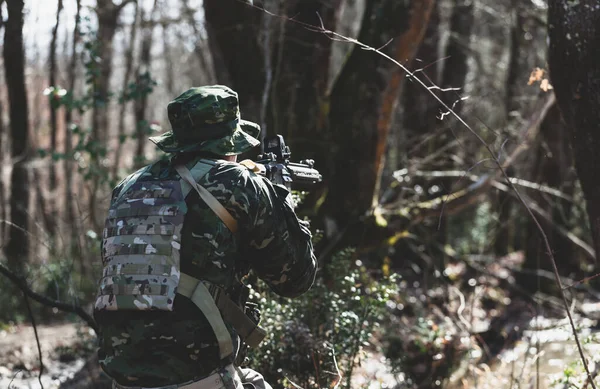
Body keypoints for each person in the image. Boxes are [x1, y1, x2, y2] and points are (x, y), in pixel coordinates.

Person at [93, 85, 318, 389]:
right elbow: (295, 280)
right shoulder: (240, 184)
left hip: (123, 378)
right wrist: (283, 203)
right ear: (230, 141)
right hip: (199, 377)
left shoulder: (129, 187)